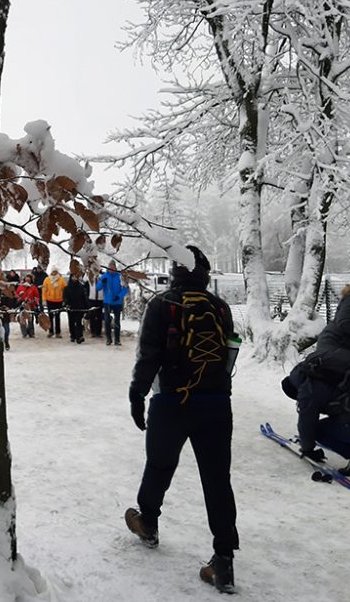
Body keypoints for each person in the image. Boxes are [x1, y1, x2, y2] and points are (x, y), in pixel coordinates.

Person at [124, 245, 239, 593]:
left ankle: (149, 521)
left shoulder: (161, 305)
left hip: (172, 401)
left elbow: (149, 355)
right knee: (217, 480)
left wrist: (137, 393)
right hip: (216, 403)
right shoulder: (220, 307)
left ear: (175, 272)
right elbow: (230, 355)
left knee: (159, 465)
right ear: (204, 274)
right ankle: (223, 560)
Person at [281, 285, 350, 461]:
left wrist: (307, 448)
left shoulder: (309, 386)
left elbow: (307, 420)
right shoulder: (316, 368)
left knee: (321, 429)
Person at [95, 261, 129, 346]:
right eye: (110, 267)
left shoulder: (120, 277)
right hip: (107, 302)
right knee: (107, 321)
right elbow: (98, 288)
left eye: (113, 267)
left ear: (115, 268)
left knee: (117, 321)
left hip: (117, 302)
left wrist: (119, 296)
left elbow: (125, 288)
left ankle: (117, 340)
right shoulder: (105, 276)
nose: (111, 269)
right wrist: (102, 282)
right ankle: (108, 339)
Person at [63, 270, 89, 343]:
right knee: (71, 322)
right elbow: (65, 297)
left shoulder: (81, 287)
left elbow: (84, 297)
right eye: (73, 277)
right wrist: (66, 304)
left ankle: (79, 336)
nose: (74, 278)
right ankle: (72, 335)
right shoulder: (67, 288)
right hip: (71, 307)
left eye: (75, 277)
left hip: (79, 307)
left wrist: (87, 306)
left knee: (78, 322)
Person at [41, 267, 67, 338]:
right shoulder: (47, 279)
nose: (54, 273)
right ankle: (51, 331)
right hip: (50, 300)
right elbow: (44, 290)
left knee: (58, 317)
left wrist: (65, 300)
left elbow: (65, 290)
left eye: (55, 271)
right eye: (53, 271)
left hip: (59, 300)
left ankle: (58, 332)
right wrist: (44, 300)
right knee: (50, 317)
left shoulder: (61, 280)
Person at [15, 274, 40, 338]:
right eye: (26, 279)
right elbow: (16, 295)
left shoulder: (33, 287)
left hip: (31, 305)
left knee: (30, 319)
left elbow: (37, 296)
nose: (27, 281)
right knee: (22, 319)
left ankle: (31, 332)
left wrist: (35, 303)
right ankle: (24, 332)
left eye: (29, 279)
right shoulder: (20, 287)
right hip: (22, 304)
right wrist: (19, 298)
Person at [0, 270, 20, 351]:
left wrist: (18, 300)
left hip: (6, 312)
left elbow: (13, 302)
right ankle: (1, 343)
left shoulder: (9, 290)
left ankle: (6, 341)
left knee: (6, 329)